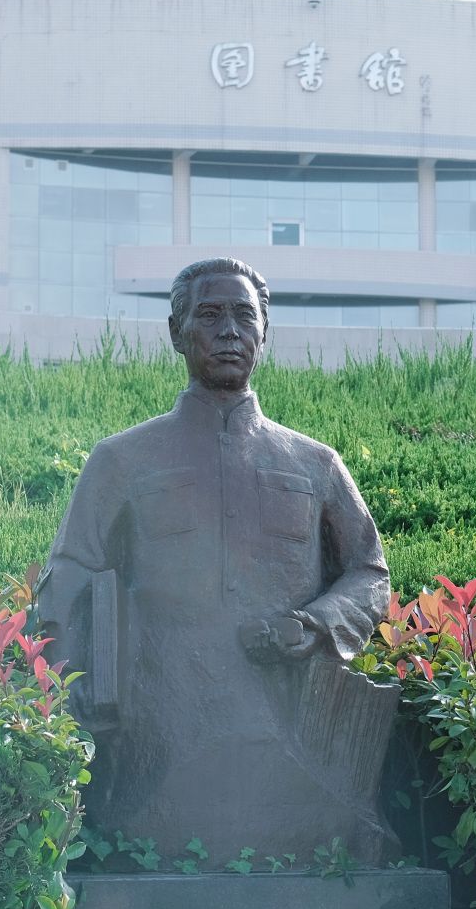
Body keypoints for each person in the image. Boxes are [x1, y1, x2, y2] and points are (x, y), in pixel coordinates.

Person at [39, 258, 398, 864]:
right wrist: (73, 695)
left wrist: (315, 624)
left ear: (265, 331)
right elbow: (69, 576)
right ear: (177, 333)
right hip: (158, 740)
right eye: (209, 315)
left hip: (288, 738)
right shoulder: (122, 460)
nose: (229, 331)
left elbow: (369, 574)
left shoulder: (315, 464)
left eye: (244, 315)